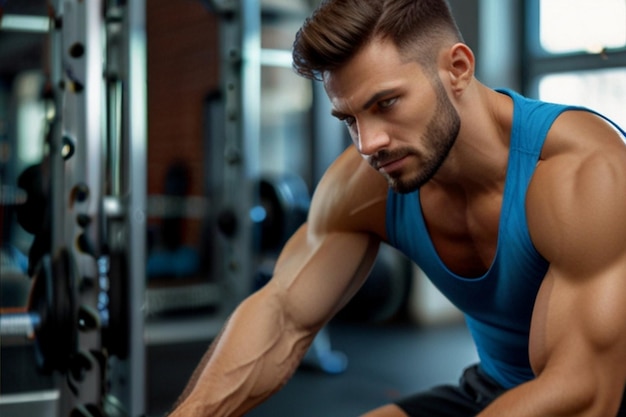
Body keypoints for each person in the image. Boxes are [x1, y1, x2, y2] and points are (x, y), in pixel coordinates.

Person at [168, 0, 626, 415]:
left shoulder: (584, 174)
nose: (369, 144)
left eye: (386, 103)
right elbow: (283, 318)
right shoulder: (363, 184)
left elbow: (582, 389)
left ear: (459, 68)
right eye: (350, 119)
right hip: (497, 391)